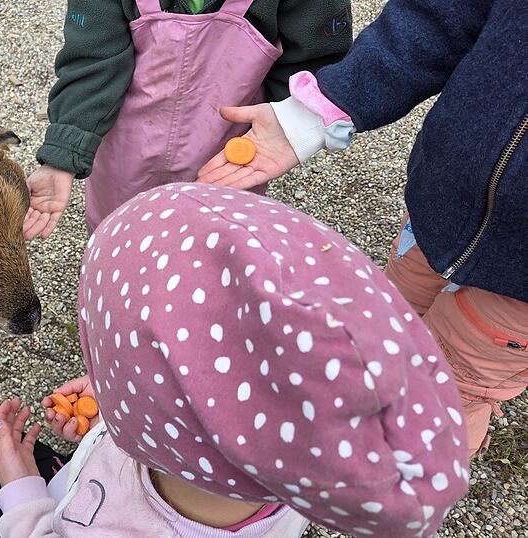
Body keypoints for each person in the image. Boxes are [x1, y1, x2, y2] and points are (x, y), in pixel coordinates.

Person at [0, 183, 469, 537]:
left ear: (159, 419)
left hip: (63, 513)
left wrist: (22, 494)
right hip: (118, 462)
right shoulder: (301, 464)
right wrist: (111, 421)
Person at [197, 0, 528, 458]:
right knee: (387, 326)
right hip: (439, 210)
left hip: (518, 285)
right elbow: (437, 16)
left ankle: (413, 480)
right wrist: (309, 115)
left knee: (452, 390)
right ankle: (362, 415)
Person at [21, 0, 353, 240]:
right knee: (124, 234)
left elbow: (315, 60)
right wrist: (62, 155)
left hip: (228, 149)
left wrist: (290, 122)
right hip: (126, 154)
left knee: (213, 238)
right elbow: (91, 62)